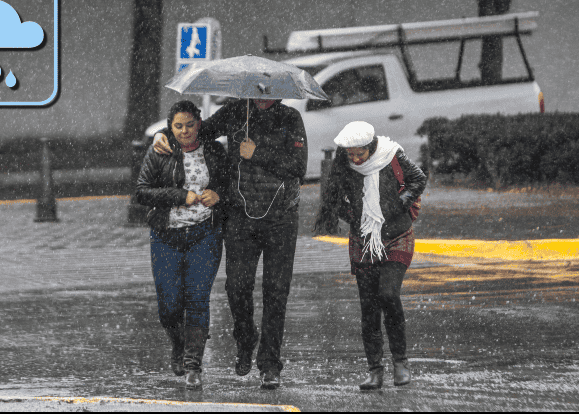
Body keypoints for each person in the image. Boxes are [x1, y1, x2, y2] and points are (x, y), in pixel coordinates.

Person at [153, 97, 307, 390]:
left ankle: (270, 364)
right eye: (257, 89)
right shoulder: (237, 110)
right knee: (237, 287)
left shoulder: (290, 118)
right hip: (241, 216)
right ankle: (246, 337)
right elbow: (199, 129)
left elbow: (298, 166)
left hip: (281, 218)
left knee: (276, 291)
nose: (262, 95)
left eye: (269, 90)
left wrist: (257, 153)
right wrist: (164, 131)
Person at [314, 121, 426, 391]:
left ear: (371, 145)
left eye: (359, 154)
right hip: (363, 239)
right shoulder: (343, 165)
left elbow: (418, 180)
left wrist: (400, 203)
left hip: (397, 235)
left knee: (388, 294)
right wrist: (354, 215)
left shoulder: (391, 154)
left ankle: (401, 362)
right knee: (369, 308)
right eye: (350, 154)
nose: (355, 159)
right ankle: (375, 370)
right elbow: (333, 199)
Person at [136, 100, 229, 390]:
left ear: (199, 123)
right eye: (178, 126)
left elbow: (229, 183)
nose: (185, 131)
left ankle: (193, 366)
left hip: (205, 234)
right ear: (170, 127)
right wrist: (180, 196)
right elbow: (142, 192)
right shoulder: (160, 149)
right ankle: (177, 345)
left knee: (198, 298)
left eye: (190, 124)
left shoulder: (214, 149)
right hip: (166, 236)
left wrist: (218, 194)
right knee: (170, 305)